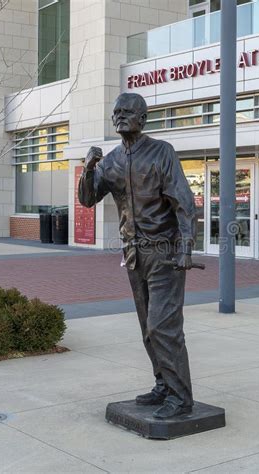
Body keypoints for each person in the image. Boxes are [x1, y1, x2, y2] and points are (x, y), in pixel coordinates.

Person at [78, 92, 196, 419]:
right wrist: (88, 170)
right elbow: (88, 199)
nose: (119, 116)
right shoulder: (112, 160)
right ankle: (163, 384)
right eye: (116, 112)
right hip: (134, 255)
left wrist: (186, 247)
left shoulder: (162, 153)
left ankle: (181, 398)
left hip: (166, 254)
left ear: (143, 119)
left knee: (163, 326)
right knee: (148, 327)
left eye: (127, 112)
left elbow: (184, 202)